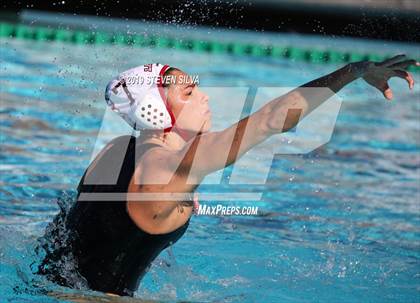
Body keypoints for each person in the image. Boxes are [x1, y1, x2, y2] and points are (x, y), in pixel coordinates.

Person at [37, 56, 418, 297]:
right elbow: (271, 120)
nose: (204, 97)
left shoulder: (116, 149)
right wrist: (353, 72)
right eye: (189, 92)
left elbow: (72, 227)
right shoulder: (174, 168)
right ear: (157, 110)